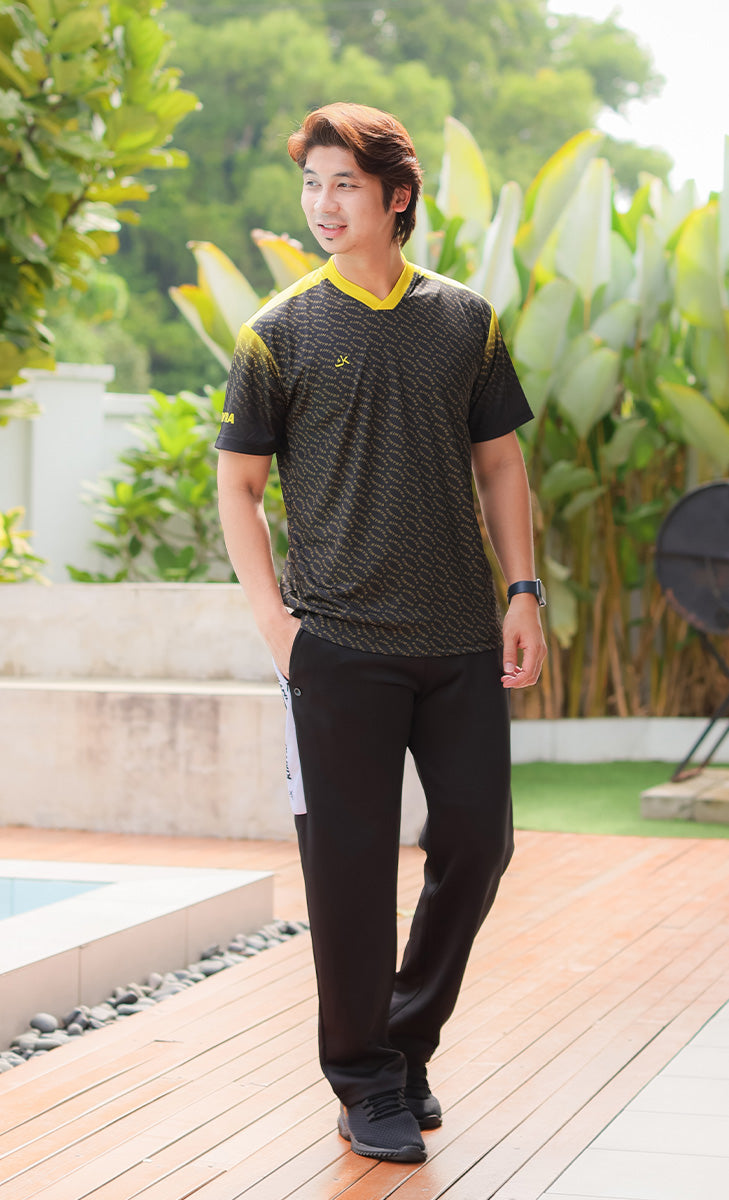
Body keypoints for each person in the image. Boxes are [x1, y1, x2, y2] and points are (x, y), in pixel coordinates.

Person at [216, 102, 547, 1164]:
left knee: (477, 844)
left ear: (397, 196)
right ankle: (364, 1081)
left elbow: (500, 463)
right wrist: (276, 626)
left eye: (344, 185)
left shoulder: (466, 321)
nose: (322, 205)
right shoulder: (277, 332)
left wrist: (524, 590)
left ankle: (404, 1041)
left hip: (458, 640)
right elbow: (238, 488)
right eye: (312, 184)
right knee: (349, 872)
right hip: (338, 648)